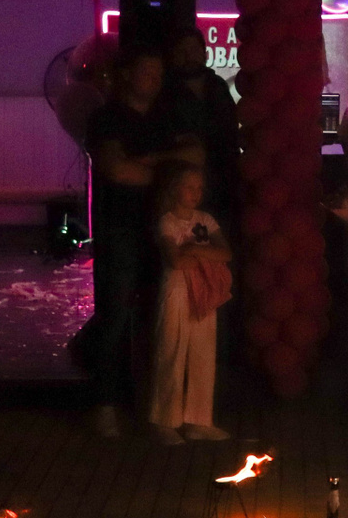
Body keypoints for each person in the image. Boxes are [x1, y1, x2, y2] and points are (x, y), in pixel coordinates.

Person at [84, 48, 202, 436]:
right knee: (115, 314)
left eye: (158, 70)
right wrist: (167, 173)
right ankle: (105, 404)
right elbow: (117, 170)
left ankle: (153, 406)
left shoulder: (166, 116)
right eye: (146, 68)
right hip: (120, 228)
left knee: (161, 316)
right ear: (126, 74)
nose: (154, 76)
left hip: (162, 229)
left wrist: (147, 163)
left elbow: (196, 156)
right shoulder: (107, 118)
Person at [149, 161, 232, 445]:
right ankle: (165, 420)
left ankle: (198, 420)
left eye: (199, 188)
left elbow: (225, 254)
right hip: (177, 291)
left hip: (204, 292)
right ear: (174, 189)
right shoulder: (167, 222)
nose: (196, 193)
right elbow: (175, 260)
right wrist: (204, 254)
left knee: (203, 355)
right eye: (189, 187)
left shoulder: (206, 220)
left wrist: (194, 249)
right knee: (171, 351)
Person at [159, 29, 240, 225]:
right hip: (184, 184)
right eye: (182, 51)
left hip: (225, 180)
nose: (189, 57)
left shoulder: (218, 86)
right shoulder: (165, 92)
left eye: (194, 50)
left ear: (204, 53)